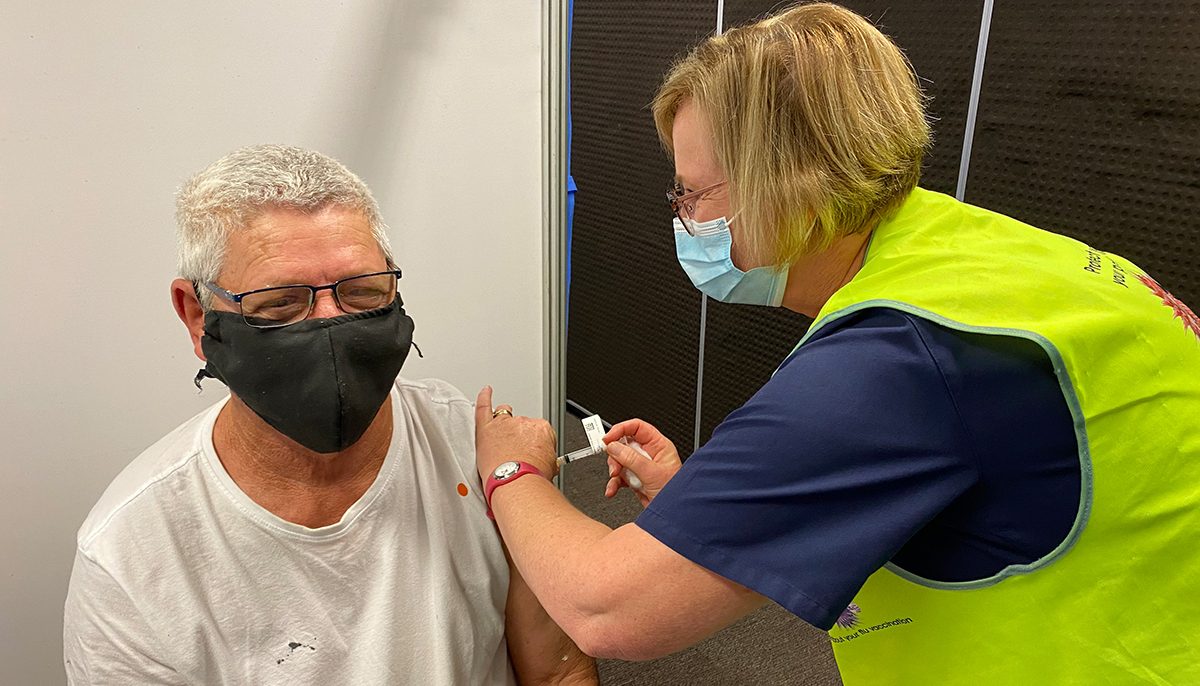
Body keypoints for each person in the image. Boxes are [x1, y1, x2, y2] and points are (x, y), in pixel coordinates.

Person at [473, 4, 1200, 684]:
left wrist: (511, 468)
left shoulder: (900, 357)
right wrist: (704, 510)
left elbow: (606, 610)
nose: (683, 218)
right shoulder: (980, 260)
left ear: (789, 182)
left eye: (693, 194)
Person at [63, 145, 596, 685]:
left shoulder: (487, 455)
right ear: (198, 315)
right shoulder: (133, 555)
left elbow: (558, 672)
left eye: (363, 294)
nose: (330, 329)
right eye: (280, 303)